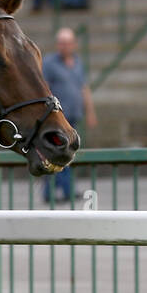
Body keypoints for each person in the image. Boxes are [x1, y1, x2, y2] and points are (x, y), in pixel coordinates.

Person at [39, 28, 96, 203]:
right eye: (62, 43)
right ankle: (67, 190)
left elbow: (84, 88)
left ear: (74, 45)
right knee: (62, 152)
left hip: (73, 116)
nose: (65, 47)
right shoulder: (49, 63)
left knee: (61, 153)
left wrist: (90, 112)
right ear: (58, 45)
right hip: (57, 118)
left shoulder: (77, 62)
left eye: (68, 43)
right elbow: (44, 87)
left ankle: (51, 191)